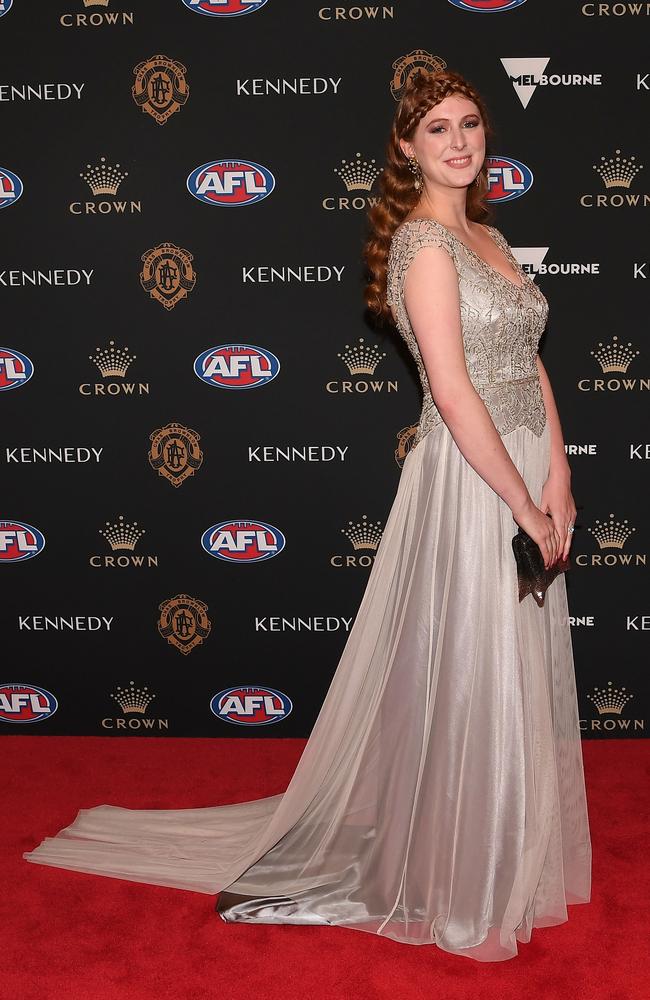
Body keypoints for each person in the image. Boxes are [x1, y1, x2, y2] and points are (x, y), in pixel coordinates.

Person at [23, 68, 592, 963]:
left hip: (524, 463)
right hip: (471, 480)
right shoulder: (424, 247)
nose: (457, 141)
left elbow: (530, 360)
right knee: (469, 665)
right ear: (406, 149)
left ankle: (492, 841)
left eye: (471, 124)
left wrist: (558, 468)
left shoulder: (490, 234)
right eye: (436, 128)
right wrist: (521, 502)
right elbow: (451, 390)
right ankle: (444, 866)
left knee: (509, 664)